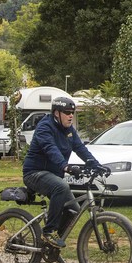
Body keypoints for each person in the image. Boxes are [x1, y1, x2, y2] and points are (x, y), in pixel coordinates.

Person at [22, 96, 105, 248]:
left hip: (53, 175)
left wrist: (96, 164)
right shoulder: (44, 127)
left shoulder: (69, 130)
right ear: (56, 113)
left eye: (72, 112)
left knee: (74, 210)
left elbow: (80, 148)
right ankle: (48, 232)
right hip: (34, 173)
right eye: (67, 112)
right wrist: (65, 166)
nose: (71, 115)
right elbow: (50, 149)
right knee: (61, 187)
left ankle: (51, 245)